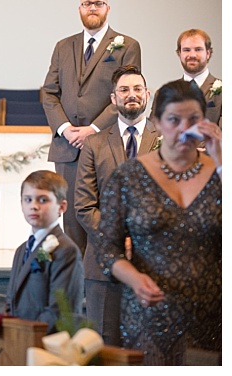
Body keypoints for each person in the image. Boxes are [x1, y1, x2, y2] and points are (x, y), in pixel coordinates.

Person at [96, 79, 221, 364]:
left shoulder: (220, 173)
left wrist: (222, 159)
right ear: (157, 122)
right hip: (148, 318)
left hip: (212, 318)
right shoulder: (129, 176)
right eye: (174, 120)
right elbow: (106, 249)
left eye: (193, 119)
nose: (183, 129)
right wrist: (134, 278)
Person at [39, 0, 142, 251]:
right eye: (87, 4)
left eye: (98, 3)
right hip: (68, 147)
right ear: (79, 9)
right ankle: (77, 288)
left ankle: (105, 282)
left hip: (106, 144)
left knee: (107, 214)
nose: (92, 8)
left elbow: (125, 92)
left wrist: (93, 129)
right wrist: (65, 129)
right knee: (72, 220)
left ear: (108, 8)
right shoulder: (63, 46)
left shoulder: (127, 46)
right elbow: (49, 92)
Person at [74, 66, 159, 346]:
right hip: (103, 263)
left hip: (154, 263)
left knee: (150, 348)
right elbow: (85, 205)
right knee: (105, 347)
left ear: (147, 95)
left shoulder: (165, 141)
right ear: (113, 99)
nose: (131, 95)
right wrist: (117, 239)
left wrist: (139, 238)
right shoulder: (95, 144)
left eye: (137, 89)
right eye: (124, 90)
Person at [5, 170, 83, 327]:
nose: (33, 206)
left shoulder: (66, 250)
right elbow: (11, 301)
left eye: (43, 200)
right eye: (28, 199)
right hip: (18, 343)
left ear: (61, 207)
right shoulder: (21, 250)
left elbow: (61, 311)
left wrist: (26, 335)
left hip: (45, 343)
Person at [175, 29, 221, 126]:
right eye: (186, 50)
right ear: (179, 54)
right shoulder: (163, 93)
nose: (192, 55)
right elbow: (155, 133)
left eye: (198, 49)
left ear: (208, 53)